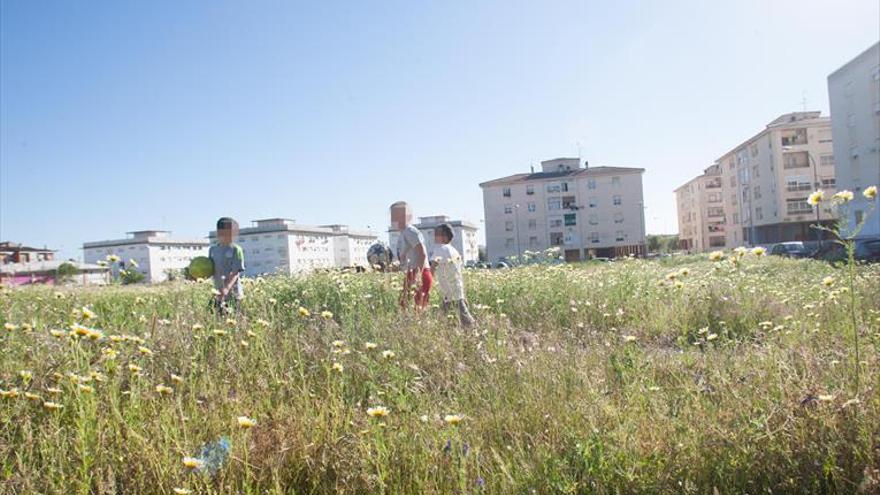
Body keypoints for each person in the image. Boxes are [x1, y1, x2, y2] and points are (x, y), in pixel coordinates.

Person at [430, 223, 475, 327]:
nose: (434, 236)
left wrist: (425, 286)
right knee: (447, 319)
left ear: (445, 237)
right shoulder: (454, 250)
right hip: (455, 291)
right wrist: (463, 295)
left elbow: (432, 269)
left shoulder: (441, 249)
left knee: (467, 322)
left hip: (450, 293)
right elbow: (459, 274)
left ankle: (480, 335)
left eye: (437, 234)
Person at [390, 201, 432, 309]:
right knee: (405, 305)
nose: (392, 219)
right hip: (411, 272)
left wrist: (417, 276)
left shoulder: (410, 231)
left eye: (395, 215)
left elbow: (422, 254)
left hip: (419, 272)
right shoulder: (403, 233)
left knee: (416, 308)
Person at [209, 217, 245, 316]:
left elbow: (235, 272)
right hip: (218, 293)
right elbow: (209, 269)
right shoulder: (213, 250)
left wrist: (227, 288)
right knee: (216, 319)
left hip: (234, 293)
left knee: (234, 319)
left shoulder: (236, 249)